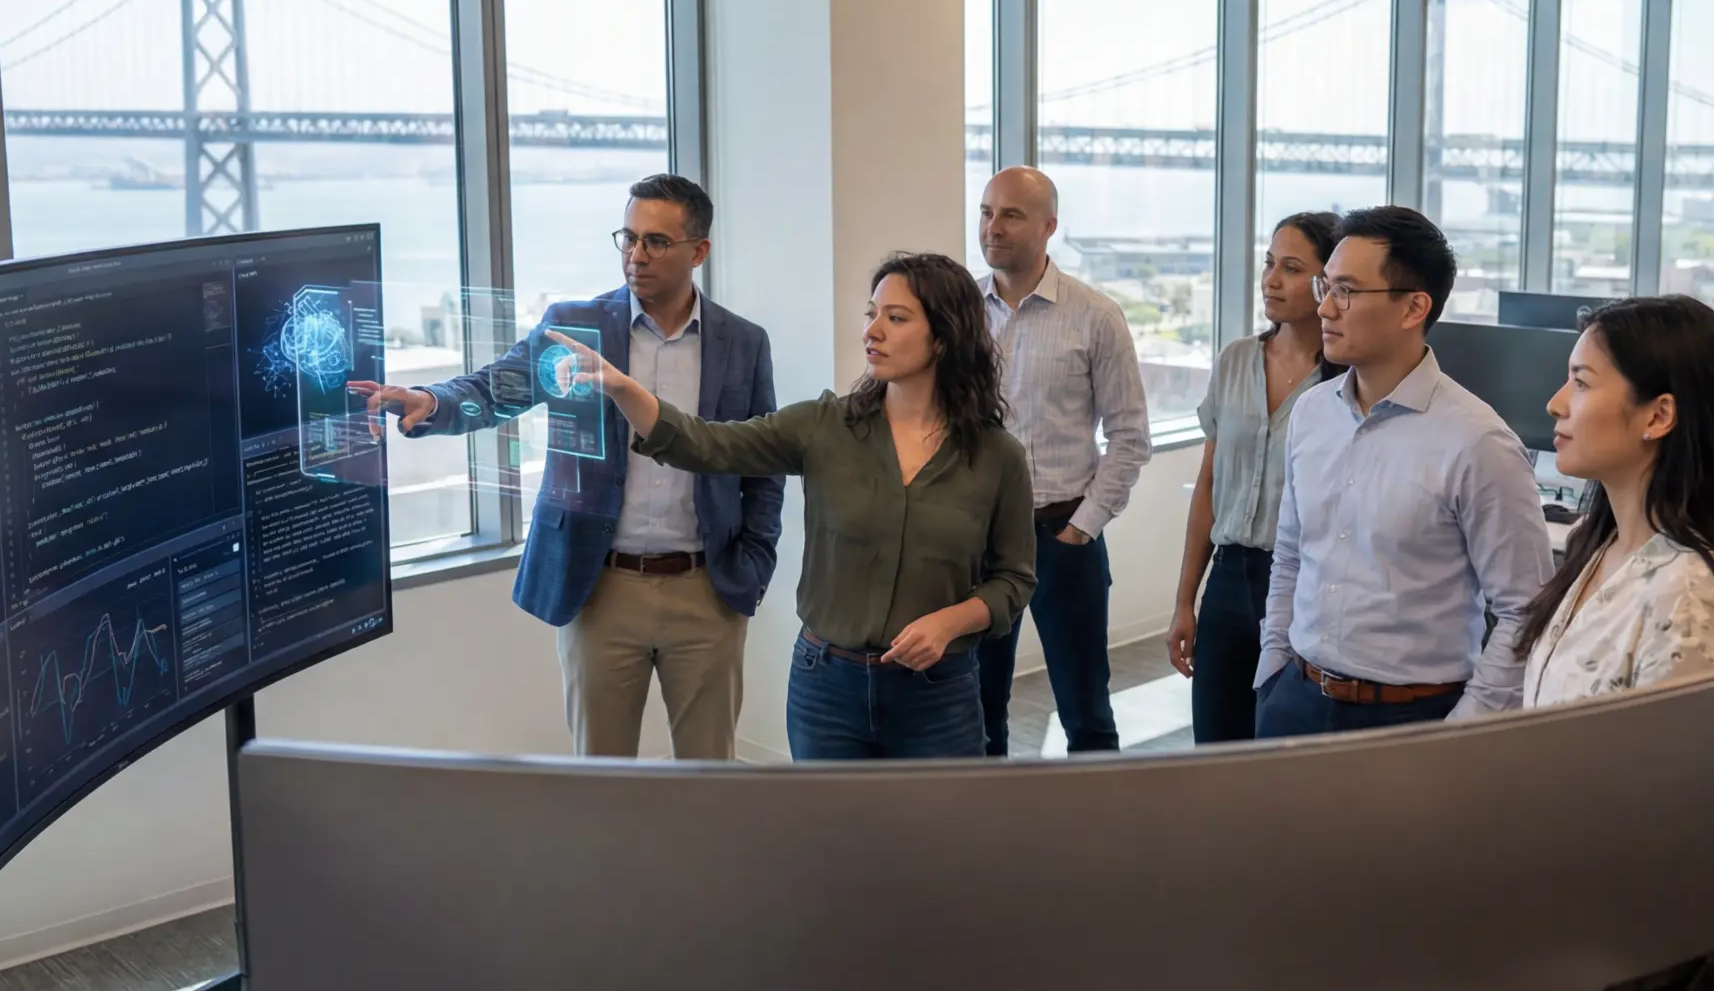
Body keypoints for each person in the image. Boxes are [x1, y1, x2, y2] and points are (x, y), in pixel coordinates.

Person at [352, 174, 782, 761]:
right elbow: (495, 388)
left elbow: (763, 465)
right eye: (627, 238)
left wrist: (753, 566)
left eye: (656, 242)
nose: (636, 256)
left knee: (709, 779)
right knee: (598, 781)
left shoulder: (744, 343)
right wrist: (431, 402)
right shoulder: (576, 326)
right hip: (599, 587)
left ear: (699, 251)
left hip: (707, 591)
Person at [571, 252, 1036, 761]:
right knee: (823, 838)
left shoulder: (997, 457)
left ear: (945, 336)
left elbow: (1013, 579)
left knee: (934, 840)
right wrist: (622, 388)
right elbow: (705, 444)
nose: (872, 331)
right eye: (871, 313)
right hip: (826, 690)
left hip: (938, 694)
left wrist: (951, 622)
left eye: (896, 318)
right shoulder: (824, 426)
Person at [1256, 206, 1553, 737]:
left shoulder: (1477, 441)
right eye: (1326, 285)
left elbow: (1524, 612)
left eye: (1346, 290)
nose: (1324, 307)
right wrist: (1273, 667)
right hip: (1295, 697)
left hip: (1410, 718)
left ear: (1414, 307)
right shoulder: (1312, 412)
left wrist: (1462, 731)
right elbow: (1291, 555)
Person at [1514, 296, 1714, 709]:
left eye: (1581, 383)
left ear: (1658, 417)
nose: (1556, 404)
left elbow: (1681, 770)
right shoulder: (1602, 544)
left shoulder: (1689, 597)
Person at [972, 166, 1151, 756]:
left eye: (1011, 215)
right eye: (986, 212)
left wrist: (1082, 528)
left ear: (1049, 227)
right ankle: (985, 837)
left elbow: (1129, 435)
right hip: (974, 543)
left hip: (1062, 536)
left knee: (1086, 711)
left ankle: (1097, 840)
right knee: (976, 707)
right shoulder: (958, 313)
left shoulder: (1096, 316)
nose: (993, 227)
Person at [1167, 211, 1343, 743]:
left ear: (1327, 283)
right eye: (1269, 263)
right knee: (1216, 744)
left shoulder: (1346, 382)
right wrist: (1184, 601)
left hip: (1301, 583)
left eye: (1291, 268)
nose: (1271, 279)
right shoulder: (1236, 360)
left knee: (1282, 741)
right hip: (1228, 581)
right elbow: (1209, 489)